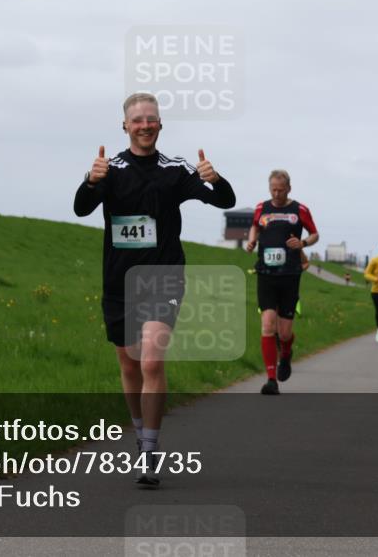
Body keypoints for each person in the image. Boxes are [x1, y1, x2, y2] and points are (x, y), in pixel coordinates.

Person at [73, 92, 236, 486]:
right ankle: (139, 433)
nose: (145, 124)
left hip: (164, 278)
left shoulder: (175, 170)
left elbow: (225, 200)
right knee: (129, 365)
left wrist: (217, 179)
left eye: (152, 118)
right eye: (137, 119)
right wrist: (89, 180)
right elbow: (81, 208)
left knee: (150, 362)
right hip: (118, 283)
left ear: (160, 125)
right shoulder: (108, 169)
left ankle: (150, 449)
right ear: (125, 126)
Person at [246, 170, 318, 395]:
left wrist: (303, 242)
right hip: (266, 273)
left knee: (284, 332)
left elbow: (315, 234)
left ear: (288, 188)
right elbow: (256, 226)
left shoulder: (300, 210)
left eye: (280, 190)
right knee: (268, 324)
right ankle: (270, 380)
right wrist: (251, 239)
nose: (276, 194)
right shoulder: (261, 208)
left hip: (289, 274)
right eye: (273, 190)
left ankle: (285, 353)